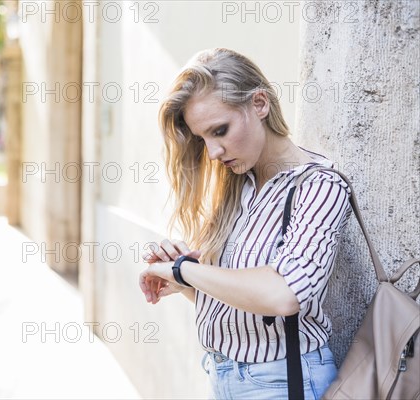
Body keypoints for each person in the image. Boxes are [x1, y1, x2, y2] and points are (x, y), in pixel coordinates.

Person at [138, 48, 352, 399]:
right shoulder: (237, 186)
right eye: (202, 139)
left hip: (280, 382)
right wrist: (180, 280)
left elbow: (283, 295)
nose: (213, 153)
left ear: (260, 104)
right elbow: (246, 306)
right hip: (221, 374)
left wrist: (183, 271)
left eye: (220, 131)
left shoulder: (320, 186)